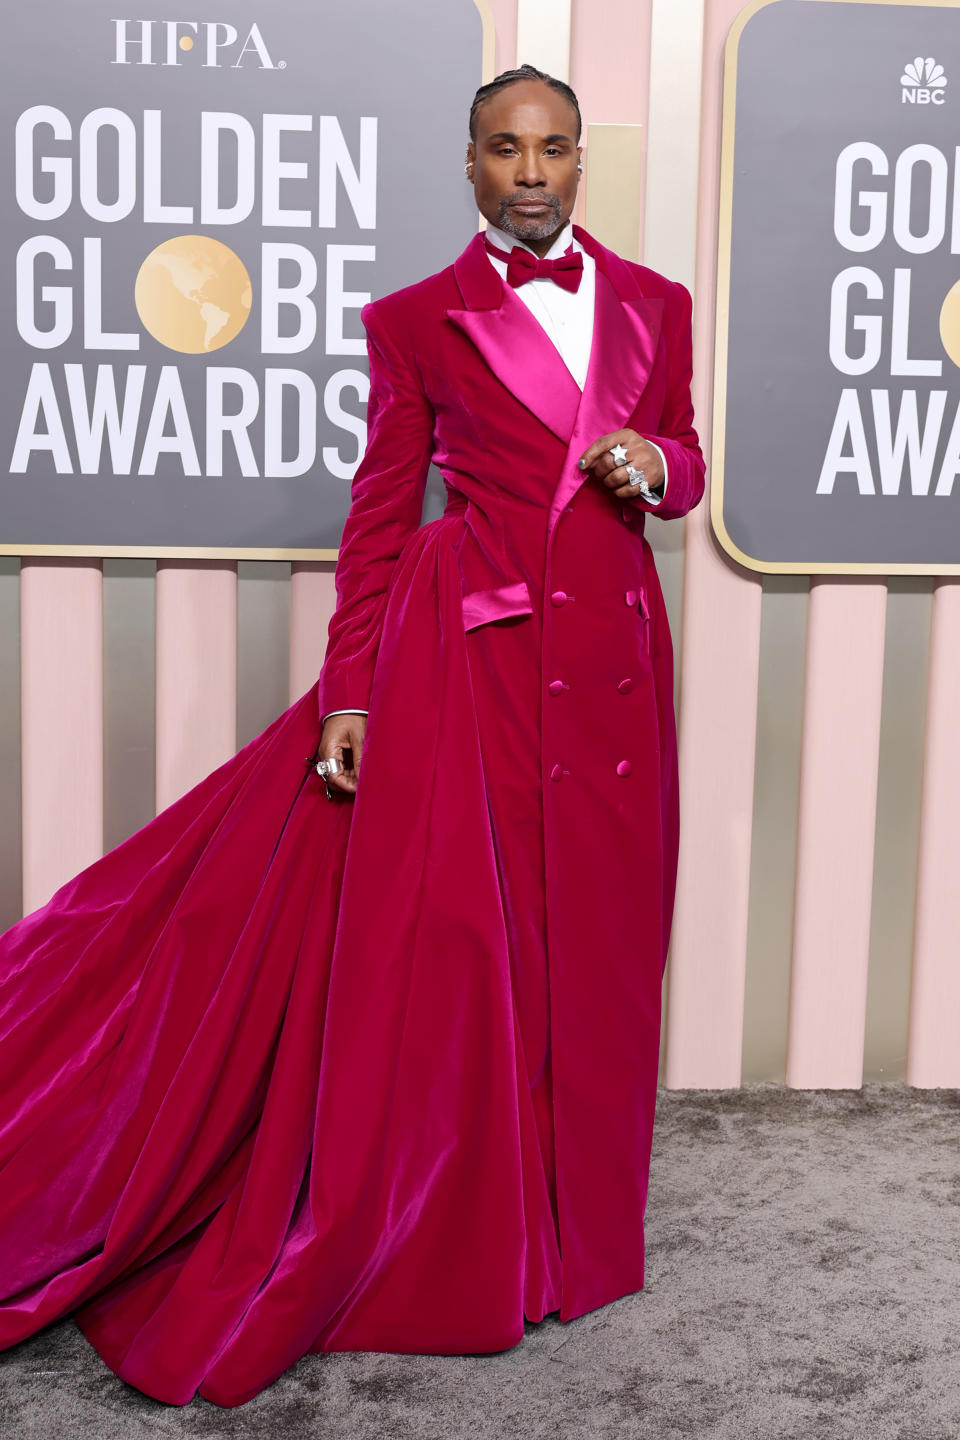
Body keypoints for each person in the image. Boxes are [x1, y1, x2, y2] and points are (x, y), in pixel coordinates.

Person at [0, 64, 705, 1408]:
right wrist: (350, 698)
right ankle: (483, 1244)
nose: (536, 173)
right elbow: (381, 514)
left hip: (612, 670)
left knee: (606, 945)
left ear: (581, 160)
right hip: (471, 665)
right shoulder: (417, 320)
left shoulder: (658, 305)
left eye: (557, 148)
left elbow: (683, 450)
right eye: (508, 150)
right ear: (470, 163)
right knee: (466, 959)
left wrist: (662, 469)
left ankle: (588, 1243)